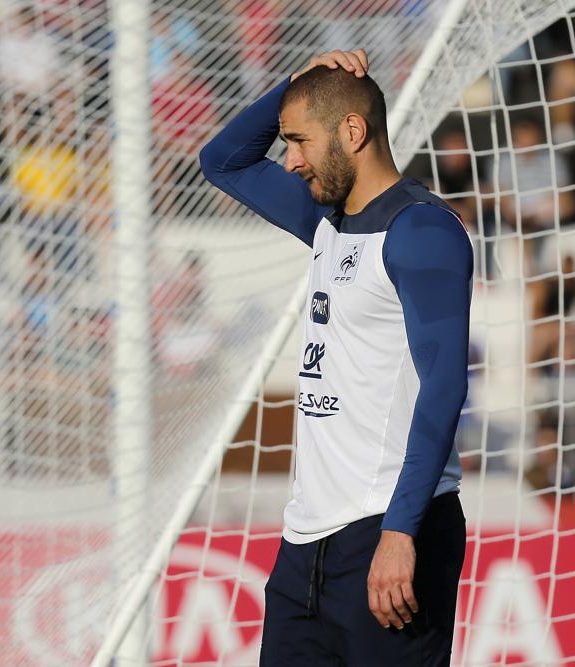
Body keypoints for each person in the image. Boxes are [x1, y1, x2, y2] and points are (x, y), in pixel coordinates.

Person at [200, 50, 471, 665]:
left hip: (392, 530)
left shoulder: (421, 230)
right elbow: (222, 160)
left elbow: (444, 388)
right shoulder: (325, 218)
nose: (289, 159)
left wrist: (401, 533)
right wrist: (296, 88)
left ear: (353, 132)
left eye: (299, 140)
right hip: (305, 546)